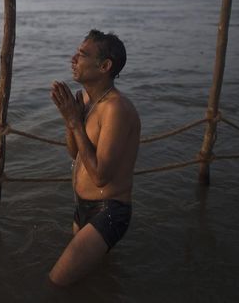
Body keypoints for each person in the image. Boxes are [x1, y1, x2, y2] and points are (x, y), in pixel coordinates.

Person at [48, 29, 140, 286]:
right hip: (83, 208)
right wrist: (70, 120)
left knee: (57, 283)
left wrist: (76, 122)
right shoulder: (89, 99)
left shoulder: (116, 108)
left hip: (109, 211)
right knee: (96, 281)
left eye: (82, 54)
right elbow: (75, 153)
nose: (73, 59)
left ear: (104, 66)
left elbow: (100, 176)